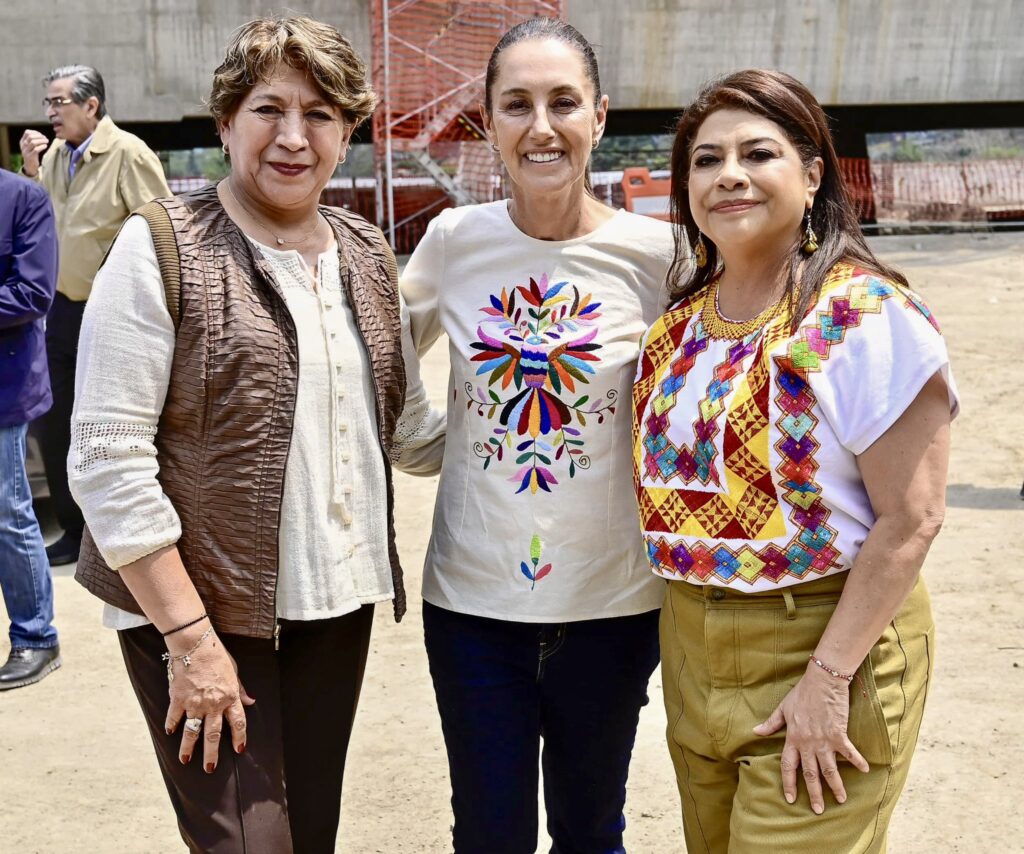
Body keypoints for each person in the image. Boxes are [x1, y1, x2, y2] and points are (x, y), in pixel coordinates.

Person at [67, 16, 440, 853]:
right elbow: (106, 461)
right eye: (269, 109)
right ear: (226, 122)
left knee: (311, 835)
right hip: (205, 610)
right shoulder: (161, 246)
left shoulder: (364, 253)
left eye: (320, 115)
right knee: (248, 844)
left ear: (348, 131)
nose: (294, 137)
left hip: (333, 605)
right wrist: (188, 640)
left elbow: (409, 430)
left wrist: (542, 402)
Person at [632, 69, 959, 852]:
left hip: (824, 644)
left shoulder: (863, 317)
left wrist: (828, 678)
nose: (729, 175)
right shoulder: (674, 330)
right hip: (692, 648)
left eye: (757, 154)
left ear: (812, 176)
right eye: (706, 160)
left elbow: (913, 518)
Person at [399, 18, 673, 853]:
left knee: (591, 832)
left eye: (564, 102)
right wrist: (434, 440)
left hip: (614, 605)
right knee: (490, 835)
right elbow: (377, 358)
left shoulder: (660, 256)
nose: (541, 126)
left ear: (600, 116)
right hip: (472, 608)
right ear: (488, 121)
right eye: (517, 104)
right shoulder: (453, 242)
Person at [19, 64, 170, 567]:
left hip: (110, 312)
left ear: (91, 105)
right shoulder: (56, 156)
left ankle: (122, 535)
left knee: (111, 428)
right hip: (60, 309)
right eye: (48, 103)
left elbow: (163, 231)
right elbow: (42, 219)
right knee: (55, 422)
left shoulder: (129, 153)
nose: (50, 112)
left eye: (59, 102)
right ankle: (74, 530)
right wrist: (31, 171)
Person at [0, 168, 61, 691]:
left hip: (4, 385)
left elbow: (33, 292)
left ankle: (36, 638)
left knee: (7, 512)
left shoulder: (23, 199)